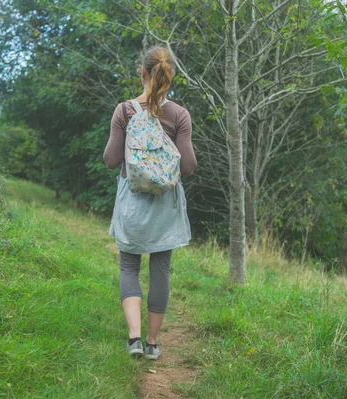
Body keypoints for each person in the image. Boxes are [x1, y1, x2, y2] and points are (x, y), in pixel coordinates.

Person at [103, 45, 197, 360]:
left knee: (129, 265)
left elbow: (110, 160)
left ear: (142, 73)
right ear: (169, 79)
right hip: (165, 205)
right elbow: (188, 167)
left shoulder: (124, 110)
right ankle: (154, 343)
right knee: (161, 269)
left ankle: (134, 340)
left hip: (132, 200)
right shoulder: (179, 115)